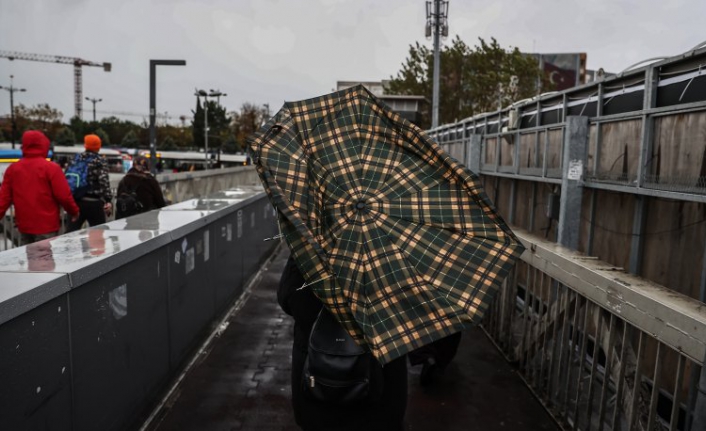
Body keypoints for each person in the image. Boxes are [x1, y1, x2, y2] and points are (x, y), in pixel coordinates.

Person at [278, 256, 408, 431]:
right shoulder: (393, 245)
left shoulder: (310, 240)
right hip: (380, 380)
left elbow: (288, 296)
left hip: (320, 377)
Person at [0, 130, 79, 245]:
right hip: (47, 226)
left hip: (24, 226)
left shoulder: (13, 169)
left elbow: (4, 199)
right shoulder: (52, 168)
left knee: (28, 259)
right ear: (44, 145)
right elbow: (64, 196)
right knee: (45, 260)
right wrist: (74, 211)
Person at [67, 134, 113, 231]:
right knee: (98, 235)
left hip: (76, 202)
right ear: (98, 146)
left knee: (71, 234)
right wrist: (108, 199)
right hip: (94, 203)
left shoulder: (75, 158)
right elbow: (103, 181)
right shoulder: (99, 160)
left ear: (85, 145)